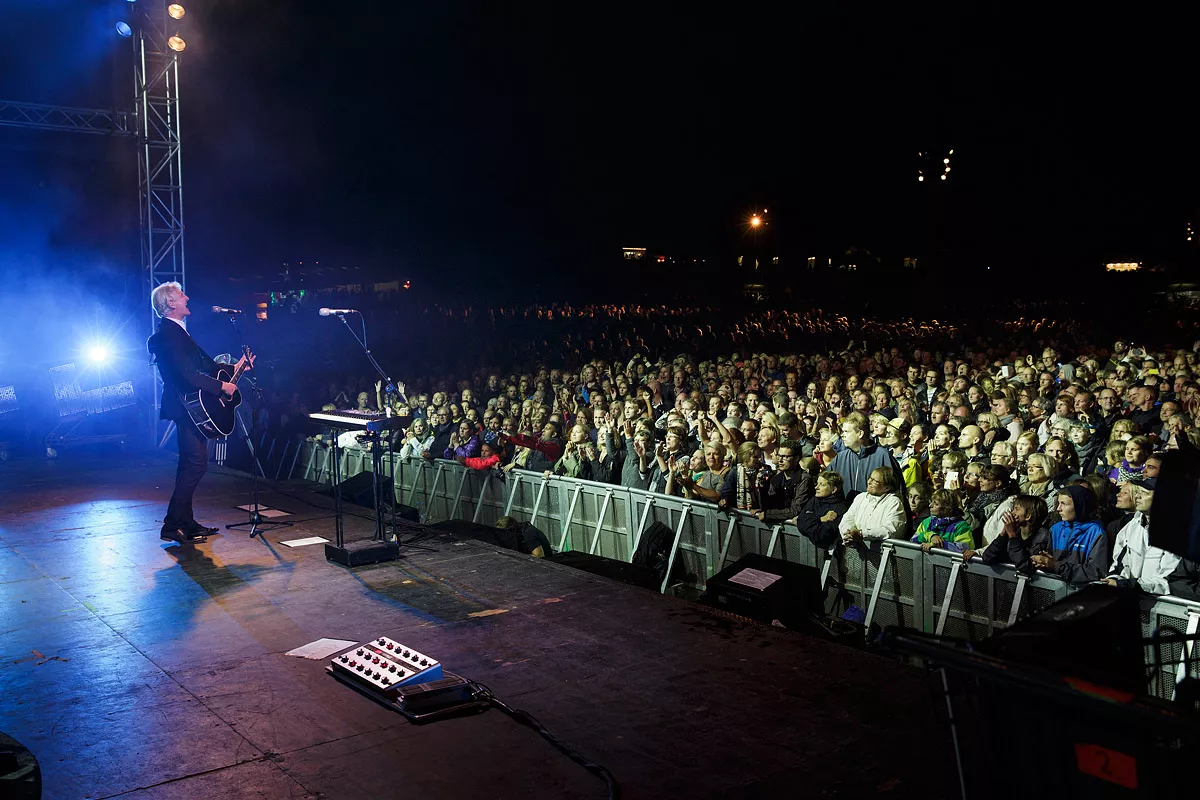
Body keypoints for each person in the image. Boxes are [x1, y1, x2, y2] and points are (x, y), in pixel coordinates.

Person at [147, 282, 244, 544]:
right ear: (170, 303)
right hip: (185, 407)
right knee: (196, 464)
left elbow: (205, 366)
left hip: (192, 407)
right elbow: (187, 375)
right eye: (181, 295)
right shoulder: (167, 334)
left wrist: (233, 369)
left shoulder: (178, 331)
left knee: (189, 465)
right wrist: (221, 386)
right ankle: (172, 525)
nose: (187, 297)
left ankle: (186, 523)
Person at [1105, 478, 1178, 594]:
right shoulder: (1131, 526)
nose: (1137, 496)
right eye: (1138, 492)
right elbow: (1119, 565)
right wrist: (1114, 580)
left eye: (1144, 493)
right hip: (1131, 598)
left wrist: (1128, 585)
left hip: (1159, 602)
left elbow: (1168, 580)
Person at [1031, 485, 1109, 584]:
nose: (1058, 508)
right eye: (1058, 503)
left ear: (1079, 506)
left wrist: (1056, 566)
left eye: (1064, 504)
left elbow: (1096, 572)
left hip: (1080, 591)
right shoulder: (1055, 529)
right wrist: (1045, 562)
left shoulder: (1096, 532)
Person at [838, 466, 907, 544]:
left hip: (879, 550)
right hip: (855, 548)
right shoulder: (860, 497)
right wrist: (848, 534)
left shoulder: (894, 502)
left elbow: (892, 530)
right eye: (870, 478)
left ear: (887, 487)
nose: (869, 482)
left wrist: (862, 534)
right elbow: (847, 519)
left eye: (875, 481)